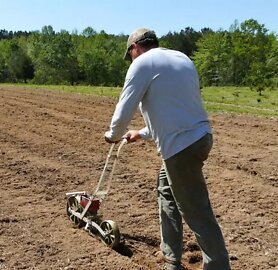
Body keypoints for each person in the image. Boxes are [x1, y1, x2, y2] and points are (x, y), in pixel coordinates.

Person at [104, 28, 231, 270]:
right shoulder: (181, 58)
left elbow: (125, 108)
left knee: (196, 211)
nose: (131, 59)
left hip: (180, 147)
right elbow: (172, 114)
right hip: (200, 137)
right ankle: (171, 257)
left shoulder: (141, 64)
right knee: (165, 189)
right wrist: (140, 133)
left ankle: (218, 266)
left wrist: (113, 135)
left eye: (130, 54)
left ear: (135, 48)